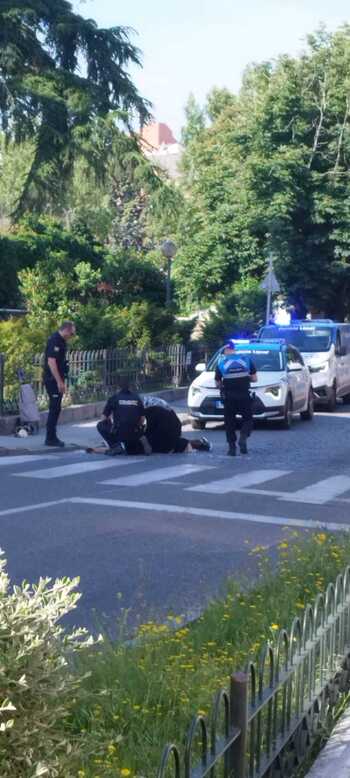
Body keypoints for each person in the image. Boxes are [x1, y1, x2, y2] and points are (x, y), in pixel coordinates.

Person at [215, 340, 257, 456]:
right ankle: (243, 437)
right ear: (234, 350)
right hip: (244, 395)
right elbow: (254, 379)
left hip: (229, 397)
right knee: (248, 419)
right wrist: (245, 378)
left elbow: (218, 383)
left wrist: (223, 384)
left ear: (226, 350)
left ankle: (232, 448)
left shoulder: (221, 363)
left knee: (229, 423)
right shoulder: (246, 360)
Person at [97, 378, 152, 456]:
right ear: (129, 387)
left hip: (119, 433)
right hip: (134, 432)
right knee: (131, 449)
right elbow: (142, 419)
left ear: (118, 388)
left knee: (100, 425)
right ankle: (140, 438)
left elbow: (103, 418)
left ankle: (116, 446)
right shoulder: (137, 398)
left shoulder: (114, 398)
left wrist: (109, 421)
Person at [43, 321, 76, 447]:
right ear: (66, 330)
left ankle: (52, 436)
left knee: (56, 408)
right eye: (71, 334)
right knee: (54, 408)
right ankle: (50, 438)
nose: (71, 336)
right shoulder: (55, 340)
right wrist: (59, 382)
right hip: (52, 380)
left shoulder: (61, 341)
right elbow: (51, 362)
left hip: (56, 379)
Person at [143, 400, 211, 453]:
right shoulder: (146, 404)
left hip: (169, 424)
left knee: (172, 443)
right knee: (173, 442)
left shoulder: (142, 407)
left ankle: (200, 443)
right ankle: (200, 443)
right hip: (171, 422)